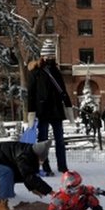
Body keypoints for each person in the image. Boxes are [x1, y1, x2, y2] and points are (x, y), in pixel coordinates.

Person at [27, 39, 76, 176]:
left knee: (60, 139)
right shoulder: (35, 72)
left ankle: (63, 166)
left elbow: (63, 91)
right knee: (43, 141)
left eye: (51, 55)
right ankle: (46, 166)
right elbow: (31, 94)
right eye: (47, 55)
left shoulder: (56, 71)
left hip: (56, 110)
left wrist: (68, 107)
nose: (49, 58)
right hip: (42, 110)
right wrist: (31, 112)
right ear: (42, 56)